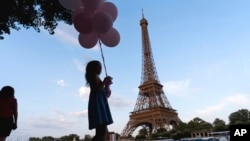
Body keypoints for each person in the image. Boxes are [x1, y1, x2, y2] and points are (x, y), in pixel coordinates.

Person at [85, 60, 113, 141]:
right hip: (98, 105)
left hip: (99, 104)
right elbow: (97, 89)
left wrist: (106, 84)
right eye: (98, 66)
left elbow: (103, 92)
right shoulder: (93, 76)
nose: (100, 68)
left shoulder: (96, 77)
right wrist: (104, 81)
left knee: (103, 132)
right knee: (102, 132)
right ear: (93, 68)